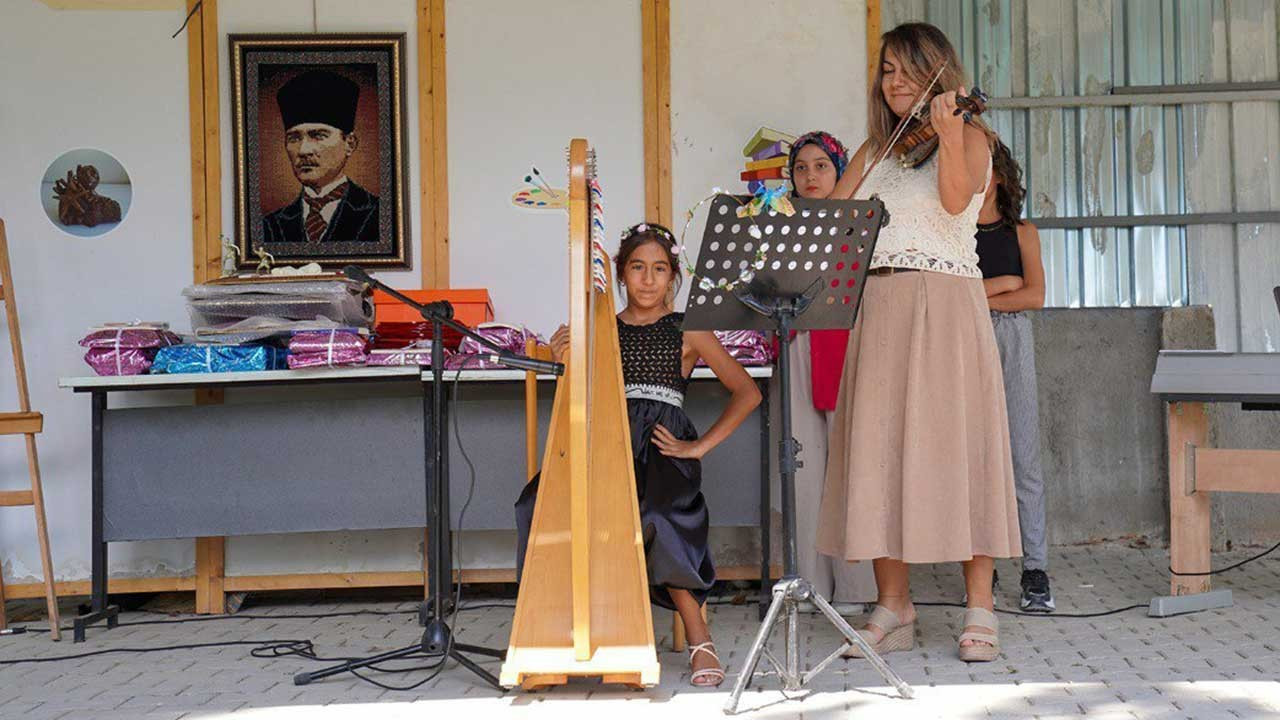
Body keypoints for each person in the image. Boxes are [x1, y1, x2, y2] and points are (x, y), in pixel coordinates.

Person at [819, 22, 1021, 663]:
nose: (895, 80)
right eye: (886, 70)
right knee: (879, 448)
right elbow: (832, 221)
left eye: (907, 67)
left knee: (964, 448)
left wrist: (952, 125)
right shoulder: (874, 150)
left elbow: (957, 197)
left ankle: (980, 605)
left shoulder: (974, 137)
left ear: (938, 69)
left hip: (946, 306)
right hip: (876, 308)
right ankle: (894, 605)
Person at [516, 223, 762, 687]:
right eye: (637, 268)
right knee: (538, 504)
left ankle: (699, 637)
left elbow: (747, 392)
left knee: (657, 514)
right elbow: (579, 398)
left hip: (662, 449)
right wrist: (562, 359)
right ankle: (555, 628)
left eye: (659, 269)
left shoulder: (688, 329)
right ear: (621, 274)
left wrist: (698, 446)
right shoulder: (598, 326)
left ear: (672, 277)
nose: (648, 279)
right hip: (604, 443)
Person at [785, 131, 876, 613]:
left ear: (840, 172)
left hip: (850, 344)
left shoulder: (861, 222)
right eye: (801, 168)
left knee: (851, 469)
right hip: (799, 344)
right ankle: (809, 586)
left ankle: (858, 590)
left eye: (822, 166)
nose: (811, 175)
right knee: (803, 468)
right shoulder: (780, 224)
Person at [977, 138, 1053, 612]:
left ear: (1001, 176)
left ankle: (1035, 568)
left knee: (1022, 454)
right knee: (976, 456)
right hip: (965, 339)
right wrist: (1005, 283)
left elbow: (1035, 296)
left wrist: (985, 295)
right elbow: (953, 295)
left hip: (1011, 340)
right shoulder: (954, 232)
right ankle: (984, 566)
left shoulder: (1023, 231)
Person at [262, 69, 380, 244]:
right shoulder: (270, 225)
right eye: (294, 138)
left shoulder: (380, 214)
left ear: (350, 143)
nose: (303, 150)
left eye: (318, 135)